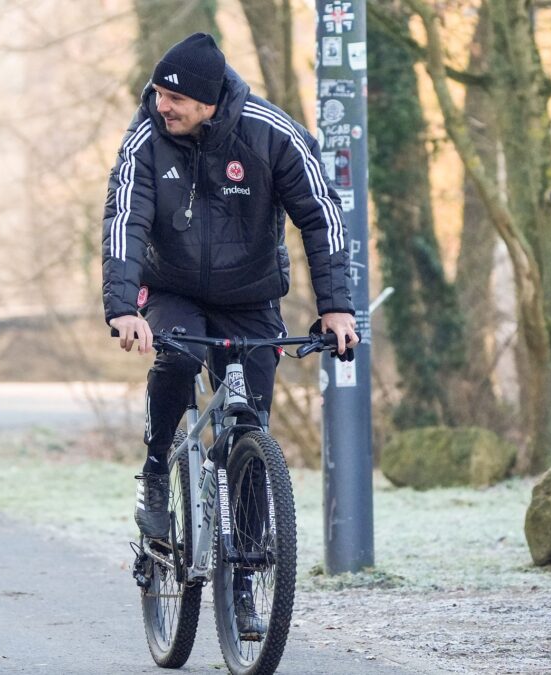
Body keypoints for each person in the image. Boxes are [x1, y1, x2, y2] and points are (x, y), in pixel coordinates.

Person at [101, 34, 358, 635]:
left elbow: (321, 217)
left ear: (212, 100)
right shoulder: (145, 139)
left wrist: (336, 308)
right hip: (170, 290)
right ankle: (157, 470)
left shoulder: (274, 134)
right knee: (178, 359)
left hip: (250, 297)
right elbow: (124, 220)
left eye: (176, 99)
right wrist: (123, 307)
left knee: (249, 430)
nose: (163, 106)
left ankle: (243, 581)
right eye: (159, 93)